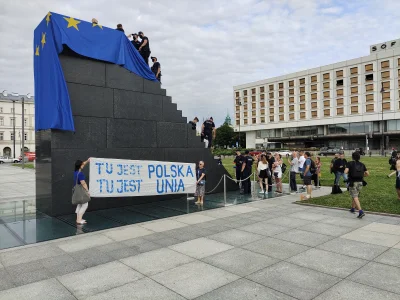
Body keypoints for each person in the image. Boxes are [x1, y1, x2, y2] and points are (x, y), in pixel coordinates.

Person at [345, 152, 369, 218]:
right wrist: (361, 175)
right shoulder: (362, 164)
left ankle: (360, 211)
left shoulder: (350, 163)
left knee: (355, 196)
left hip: (353, 182)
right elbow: (367, 173)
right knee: (355, 195)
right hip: (360, 182)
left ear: (352, 157)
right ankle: (353, 208)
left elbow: (345, 171)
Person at [73, 159, 90, 225]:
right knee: (85, 205)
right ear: (80, 166)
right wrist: (87, 191)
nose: (83, 165)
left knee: (80, 204)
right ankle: (79, 220)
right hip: (82, 191)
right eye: (82, 164)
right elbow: (83, 183)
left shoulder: (76, 172)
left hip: (77, 191)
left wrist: (88, 161)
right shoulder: (80, 174)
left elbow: (82, 164)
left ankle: (78, 219)